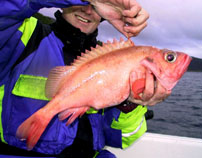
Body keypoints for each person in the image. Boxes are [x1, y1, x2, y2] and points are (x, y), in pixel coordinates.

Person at [0, 0, 171, 157]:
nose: (87, 10)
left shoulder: (112, 59)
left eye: (95, 6)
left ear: (104, 15)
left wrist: (130, 104)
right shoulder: (22, 33)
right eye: (84, 0)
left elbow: (120, 139)